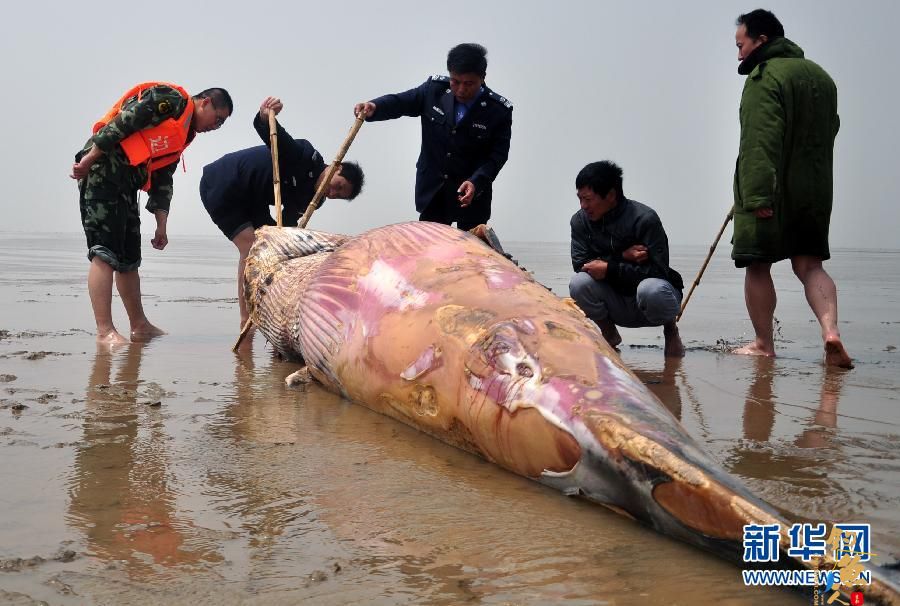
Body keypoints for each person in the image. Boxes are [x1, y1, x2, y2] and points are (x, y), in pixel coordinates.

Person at [731, 9, 852, 368]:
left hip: (770, 190)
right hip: (814, 191)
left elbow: (759, 139)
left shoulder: (763, 78)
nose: (738, 55)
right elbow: (832, 129)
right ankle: (831, 333)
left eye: (741, 45)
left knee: (756, 264)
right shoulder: (822, 78)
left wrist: (756, 195)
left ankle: (763, 344)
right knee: (810, 265)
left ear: (761, 41)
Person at [71, 83, 232, 345]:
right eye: (218, 120)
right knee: (104, 251)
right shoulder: (172, 101)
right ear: (205, 103)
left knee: (129, 258)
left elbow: (162, 178)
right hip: (103, 171)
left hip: (127, 184)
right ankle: (104, 331)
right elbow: (125, 122)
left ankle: (139, 325)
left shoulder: (183, 135)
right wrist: (89, 159)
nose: (215, 127)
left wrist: (161, 225)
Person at [200, 97, 365, 328]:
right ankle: (245, 320)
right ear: (336, 167)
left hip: (254, 199)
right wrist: (265, 117)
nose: (332, 192)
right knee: (251, 248)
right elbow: (274, 136)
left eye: (338, 195)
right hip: (224, 181)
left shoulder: (313, 202)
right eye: (337, 185)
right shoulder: (305, 156)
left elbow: (286, 226)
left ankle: (273, 314)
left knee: (271, 249)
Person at [353, 43, 512, 230]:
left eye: (469, 83)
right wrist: (375, 107)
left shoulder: (498, 110)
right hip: (433, 193)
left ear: (482, 78)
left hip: (472, 199)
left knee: (470, 255)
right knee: (428, 252)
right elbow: (401, 102)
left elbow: (497, 157)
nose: (461, 89)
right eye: (455, 81)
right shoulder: (433, 91)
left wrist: (476, 182)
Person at [568, 161, 685, 357]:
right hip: (614, 301)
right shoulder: (580, 221)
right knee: (578, 283)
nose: (583, 206)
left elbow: (659, 271)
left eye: (588, 199)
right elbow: (580, 263)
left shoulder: (645, 219)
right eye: (580, 199)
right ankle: (609, 332)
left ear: (611, 195)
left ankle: (671, 331)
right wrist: (621, 256)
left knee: (652, 289)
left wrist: (610, 268)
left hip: (652, 303)